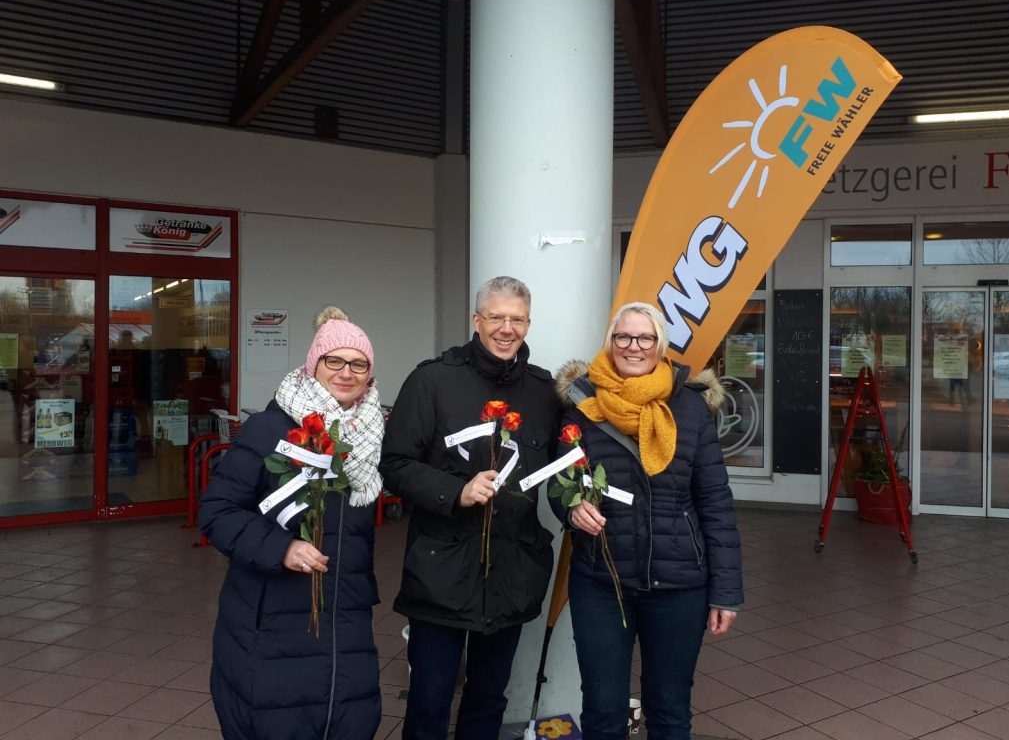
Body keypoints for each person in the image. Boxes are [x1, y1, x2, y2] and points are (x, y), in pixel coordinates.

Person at [380, 276, 562, 740]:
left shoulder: (544, 391)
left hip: (511, 572)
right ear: (476, 321)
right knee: (429, 701)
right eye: (496, 317)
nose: (507, 328)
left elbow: (569, 462)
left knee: (488, 701)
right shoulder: (432, 380)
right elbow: (395, 464)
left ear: (528, 323)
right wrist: (453, 491)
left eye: (516, 319)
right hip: (441, 572)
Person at [551, 301, 743, 740]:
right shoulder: (582, 404)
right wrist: (571, 507)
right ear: (610, 342)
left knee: (670, 709)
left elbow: (715, 501)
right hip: (602, 581)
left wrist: (726, 591)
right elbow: (560, 480)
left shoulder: (691, 409)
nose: (632, 347)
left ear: (660, 346)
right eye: (623, 337)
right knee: (602, 709)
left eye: (645, 338)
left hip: (680, 586)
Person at [200, 306, 385, 740]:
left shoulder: (370, 435)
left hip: (345, 611)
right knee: (279, 717)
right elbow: (218, 512)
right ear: (313, 363)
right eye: (333, 361)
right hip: (273, 618)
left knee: (347, 715)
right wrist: (280, 548)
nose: (346, 373)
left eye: (358, 364)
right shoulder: (269, 429)